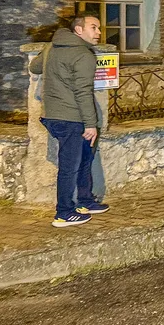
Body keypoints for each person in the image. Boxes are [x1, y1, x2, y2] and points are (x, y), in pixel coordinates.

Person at [30, 14, 109, 227]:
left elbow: (34, 68)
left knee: (84, 158)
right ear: (79, 30)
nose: (99, 33)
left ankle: (85, 201)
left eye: (99, 28)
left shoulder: (50, 48)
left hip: (53, 115)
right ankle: (64, 213)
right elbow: (83, 91)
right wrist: (91, 124)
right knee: (69, 166)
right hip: (73, 118)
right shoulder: (84, 55)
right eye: (94, 27)